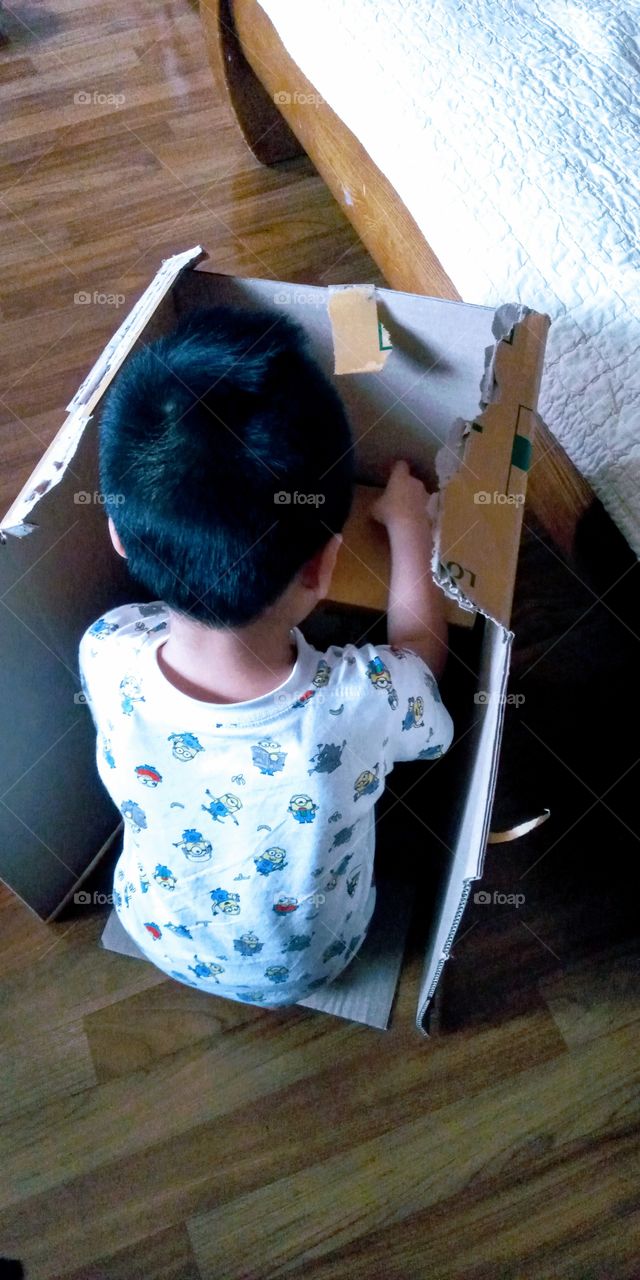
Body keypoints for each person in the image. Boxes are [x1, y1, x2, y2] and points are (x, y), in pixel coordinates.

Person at [79, 305, 453, 1007]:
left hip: (152, 927)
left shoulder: (105, 650)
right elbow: (421, 670)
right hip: (314, 966)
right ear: (322, 569)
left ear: (119, 536)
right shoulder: (359, 702)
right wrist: (408, 529)